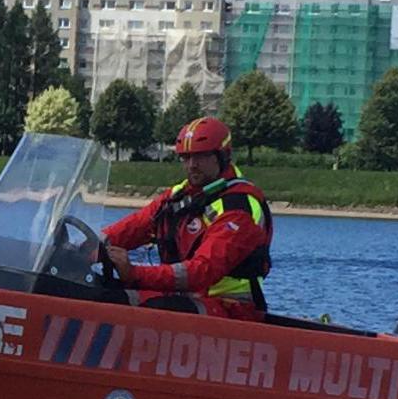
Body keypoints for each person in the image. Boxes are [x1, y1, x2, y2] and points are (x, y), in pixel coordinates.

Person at [99, 116, 273, 320]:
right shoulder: (179, 195)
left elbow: (202, 271)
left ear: (222, 156)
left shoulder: (239, 207)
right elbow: (134, 227)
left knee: (149, 308)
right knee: (103, 293)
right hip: (188, 300)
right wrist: (88, 246)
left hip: (231, 310)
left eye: (200, 157)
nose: (192, 165)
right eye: (186, 157)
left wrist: (135, 273)